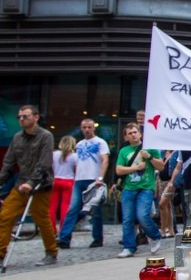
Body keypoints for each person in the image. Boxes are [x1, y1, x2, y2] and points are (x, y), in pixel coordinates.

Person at [0, 105, 58, 267]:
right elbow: (8, 163)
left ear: (36, 117)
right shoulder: (17, 137)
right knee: (5, 217)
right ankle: (0, 253)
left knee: (41, 219)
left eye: (25, 116)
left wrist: (31, 183)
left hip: (41, 185)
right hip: (21, 184)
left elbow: (44, 163)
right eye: (19, 117)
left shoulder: (46, 136)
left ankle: (51, 251)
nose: (21, 119)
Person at [57, 118, 110, 250]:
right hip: (79, 180)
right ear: (81, 128)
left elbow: (105, 160)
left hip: (94, 179)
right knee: (73, 209)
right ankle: (64, 238)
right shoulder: (79, 144)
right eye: (84, 127)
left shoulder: (100, 142)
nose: (87, 129)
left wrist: (100, 177)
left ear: (93, 128)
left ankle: (97, 238)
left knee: (96, 211)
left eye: (89, 127)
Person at [115, 123, 163, 258]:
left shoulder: (150, 148)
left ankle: (155, 235)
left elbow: (161, 166)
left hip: (146, 187)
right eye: (129, 133)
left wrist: (149, 157)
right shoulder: (124, 151)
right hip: (129, 188)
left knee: (142, 215)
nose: (133, 135)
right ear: (126, 137)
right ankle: (129, 247)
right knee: (127, 218)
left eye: (135, 132)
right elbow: (118, 170)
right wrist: (135, 168)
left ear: (140, 134)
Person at [49, 136, 78, 232]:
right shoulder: (74, 156)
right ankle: (63, 228)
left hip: (56, 180)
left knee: (52, 206)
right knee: (65, 206)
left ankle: (51, 229)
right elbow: (77, 170)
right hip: (69, 181)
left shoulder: (54, 154)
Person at [157, 150, 177, 238]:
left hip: (170, 182)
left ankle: (163, 229)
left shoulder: (176, 152)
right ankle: (171, 230)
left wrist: (173, 181)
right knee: (167, 205)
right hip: (161, 181)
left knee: (162, 204)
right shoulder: (162, 152)